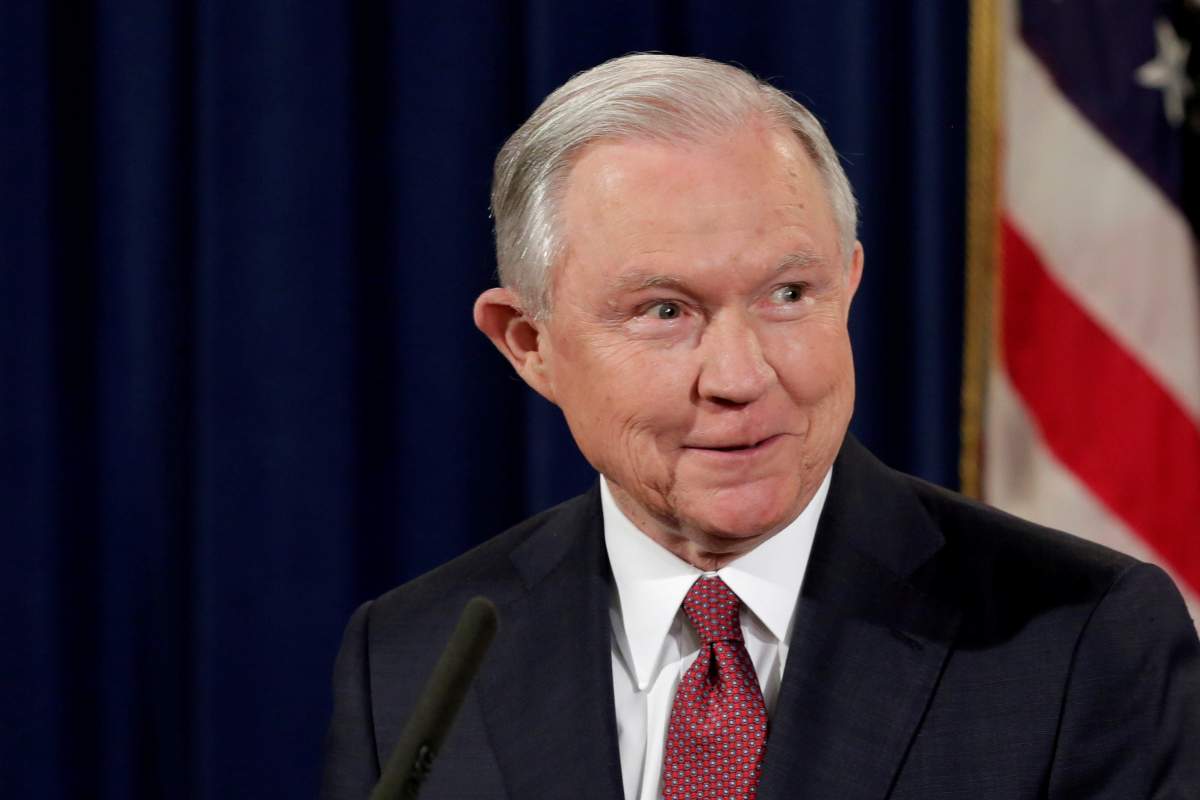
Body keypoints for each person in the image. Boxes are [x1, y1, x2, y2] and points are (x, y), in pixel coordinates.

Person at [320, 54, 1200, 800]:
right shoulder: (409, 660)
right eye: (664, 311)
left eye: (788, 295)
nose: (742, 378)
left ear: (849, 283)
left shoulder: (1080, 641)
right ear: (530, 345)